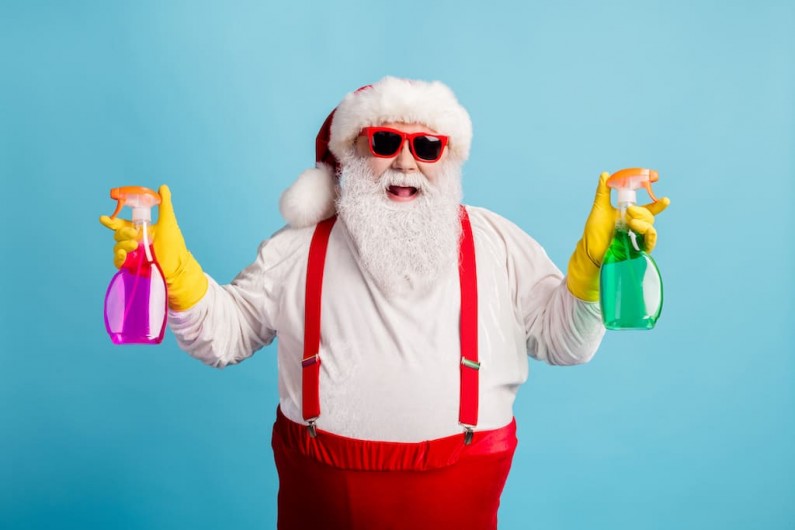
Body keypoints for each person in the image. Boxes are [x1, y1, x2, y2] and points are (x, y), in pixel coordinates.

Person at [101, 77, 670, 529]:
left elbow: (565, 343)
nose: (405, 162)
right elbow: (222, 337)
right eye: (384, 142)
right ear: (349, 155)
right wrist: (177, 275)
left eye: (426, 146)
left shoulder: (497, 242)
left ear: (445, 159)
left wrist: (593, 270)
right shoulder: (297, 249)